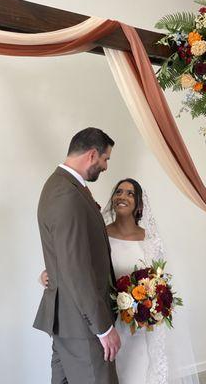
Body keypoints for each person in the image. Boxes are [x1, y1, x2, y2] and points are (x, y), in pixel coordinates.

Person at [41, 178, 199, 384]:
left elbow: (160, 280)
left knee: (142, 372)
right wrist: (49, 273)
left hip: (142, 326)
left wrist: (153, 302)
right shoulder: (100, 235)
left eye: (130, 193)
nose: (122, 196)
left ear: (140, 204)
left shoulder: (151, 239)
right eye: (118, 192)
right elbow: (76, 265)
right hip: (109, 323)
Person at [34, 127, 121, 384]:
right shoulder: (66, 194)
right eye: (105, 159)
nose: (105, 166)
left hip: (68, 319)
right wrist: (103, 328)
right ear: (92, 155)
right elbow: (77, 269)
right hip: (82, 323)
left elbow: (65, 256)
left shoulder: (63, 186)